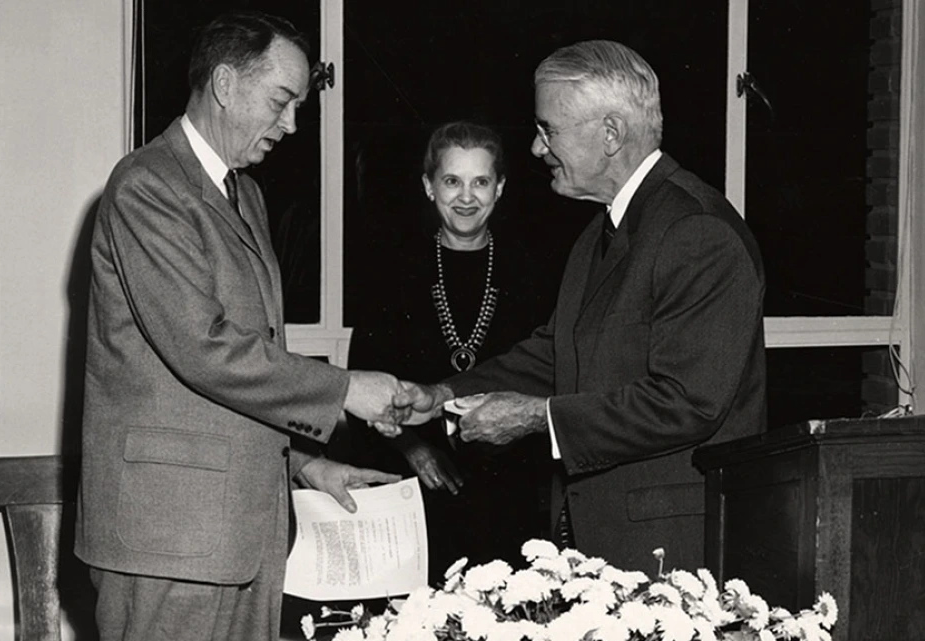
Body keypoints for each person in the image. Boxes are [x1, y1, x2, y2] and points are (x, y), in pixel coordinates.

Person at [74, 11, 413, 641]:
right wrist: (344, 390)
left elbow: (243, 369)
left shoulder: (244, 193)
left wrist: (306, 464)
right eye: (281, 101)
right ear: (226, 84)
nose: (291, 124)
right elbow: (205, 350)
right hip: (169, 537)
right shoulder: (147, 187)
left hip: (243, 531)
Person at [398, 40, 766, 573]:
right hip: (601, 539)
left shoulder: (697, 230)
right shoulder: (600, 231)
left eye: (549, 129)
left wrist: (534, 418)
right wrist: (441, 396)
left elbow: (688, 402)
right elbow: (557, 353)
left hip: (673, 551)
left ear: (611, 134)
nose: (537, 148)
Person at [342, 121, 555, 580]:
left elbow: (545, 373)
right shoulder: (393, 268)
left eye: (480, 182)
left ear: (500, 188)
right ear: (428, 186)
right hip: (415, 483)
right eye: (452, 181)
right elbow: (363, 381)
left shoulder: (532, 271)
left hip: (510, 482)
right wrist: (413, 449)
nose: (466, 197)